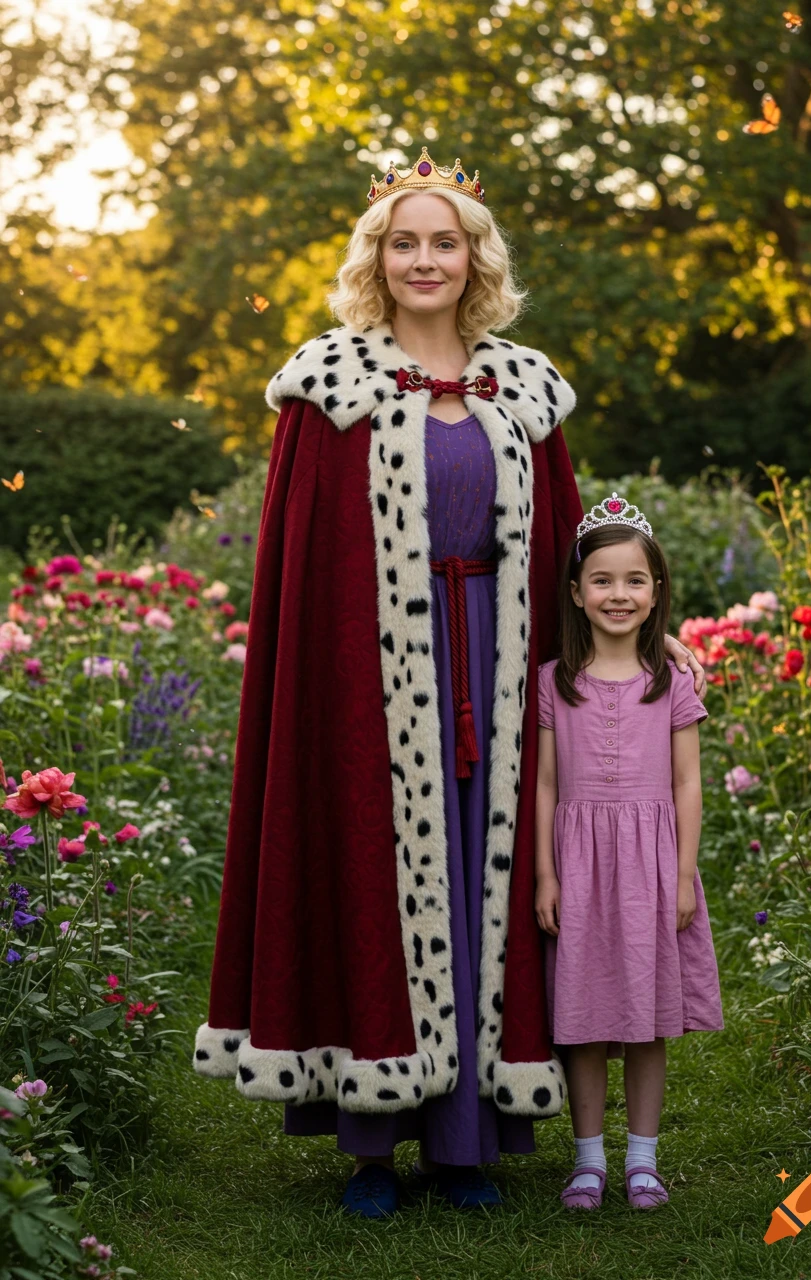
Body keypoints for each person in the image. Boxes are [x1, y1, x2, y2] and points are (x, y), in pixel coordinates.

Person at [192, 147, 706, 1219]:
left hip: (500, 673)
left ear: (475, 258)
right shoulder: (327, 391)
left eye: (445, 239)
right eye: (403, 240)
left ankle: (468, 1140)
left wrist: (607, 671)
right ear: (375, 258)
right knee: (377, 887)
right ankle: (373, 1141)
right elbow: (301, 574)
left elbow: (566, 561)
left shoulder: (522, 392)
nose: (425, 258)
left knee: (493, 882)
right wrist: (332, 691)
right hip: (363, 681)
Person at [535, 493, 723, 1212]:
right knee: (582, 1019)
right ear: (578, 594)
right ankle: (589, 1162)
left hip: (651, 866)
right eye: (603, 580)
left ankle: (643, 1160)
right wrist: (548, 873)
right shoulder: (555, 684)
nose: (619, 593)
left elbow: (687, 783)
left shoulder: (671, 684)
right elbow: (547, 785)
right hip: (579, 868)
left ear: (656, 593)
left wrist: (681, 877)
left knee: (646, 1021)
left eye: (635, 580)